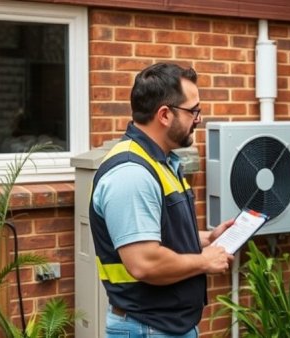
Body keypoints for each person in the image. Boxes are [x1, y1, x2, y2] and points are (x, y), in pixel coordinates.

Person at [89, 63, 234, 338]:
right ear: (165, 115)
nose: (198, 119)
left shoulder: (162, 162)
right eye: (193, 111)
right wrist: (204, 261)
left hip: (164, 326)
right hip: (148, 329)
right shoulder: (132, 173)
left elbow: (159, 233)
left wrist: (206, 238)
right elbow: (145, 262)